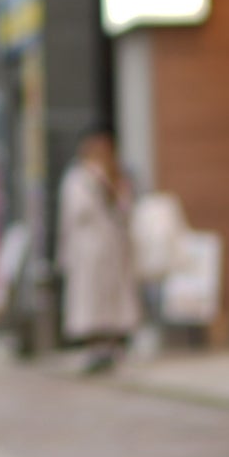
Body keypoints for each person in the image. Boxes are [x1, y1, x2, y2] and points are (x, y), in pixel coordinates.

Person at [57, 129, 140, 370]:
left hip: (112, 247)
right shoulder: (78, 178)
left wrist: (112, 188)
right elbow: (77, 211)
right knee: (90, 297)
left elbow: (126, 208)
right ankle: (94, 347)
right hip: (88, 248)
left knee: (113, 296)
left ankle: (112, 344)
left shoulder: (118, 175)